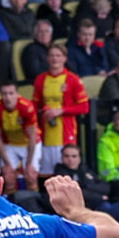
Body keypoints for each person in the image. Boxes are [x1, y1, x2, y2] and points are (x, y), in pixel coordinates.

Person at [32, 45, 90, 174]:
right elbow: (35, 105)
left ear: (64, 58)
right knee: (47, 173)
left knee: (65, 172)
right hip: (46, 133)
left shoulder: (73, 79)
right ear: (47, 58)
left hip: (66, 133)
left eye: (58, 55)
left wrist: (61, 110)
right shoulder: (40, 79)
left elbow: (84, 107)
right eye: (52, 55)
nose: (55, 59)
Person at [0, 81, 41, 194]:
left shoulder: (26, 107)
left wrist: (28, 164)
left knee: (31, 175)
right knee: (8, 176)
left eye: (11, 93)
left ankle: (33, 206)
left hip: (29, 143)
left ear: (17, 94)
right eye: (4, 94)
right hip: (9, 144)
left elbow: (32, 135)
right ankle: (11, 207)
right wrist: (7, 163)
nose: (8, 97)